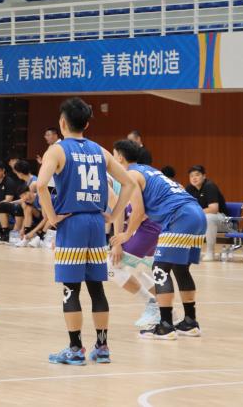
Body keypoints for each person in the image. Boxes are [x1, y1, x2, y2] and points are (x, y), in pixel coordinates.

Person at [37, 97, 136, 366]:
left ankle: (75, 349)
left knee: (71, 289)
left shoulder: (57, 150)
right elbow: (128, 183)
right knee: (96, 288)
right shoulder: (100, 151)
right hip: (95, 223)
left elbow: (41, 185)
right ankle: (102, 347)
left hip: (72, 223)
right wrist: (113, 215)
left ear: (62, 122)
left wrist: (51, 217)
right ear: (87, 124)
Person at [110, 140, 207, 340]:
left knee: (160, 269)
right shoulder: (150, 170)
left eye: (113, 154)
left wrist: (125, 235)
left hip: (180, 217)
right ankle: (190, 322)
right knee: (180, 269)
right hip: (197, 214)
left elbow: (139, 211)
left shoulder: (130, 175)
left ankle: (165, 326)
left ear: (119, 157)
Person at [105, 149, 163, 329]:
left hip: (144, 228)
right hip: (149, 227)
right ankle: (168, 313)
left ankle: (152, 304)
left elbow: (119, 209)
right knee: (138, 270)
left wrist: (118, 242)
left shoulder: (107, 177)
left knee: (111, 268)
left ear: (120, 156)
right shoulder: (128, 174)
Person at [185, 166, 229, 261]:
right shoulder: (189, 188)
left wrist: (194, 213)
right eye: (191, 176)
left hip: (223, 220)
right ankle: (191, 252)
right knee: (185, 218)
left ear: (204, 176)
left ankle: (210, 252)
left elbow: (214, 209)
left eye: (197, 175)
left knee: (208, 217)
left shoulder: (209, 186)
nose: (194, 178)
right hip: (201, 218)